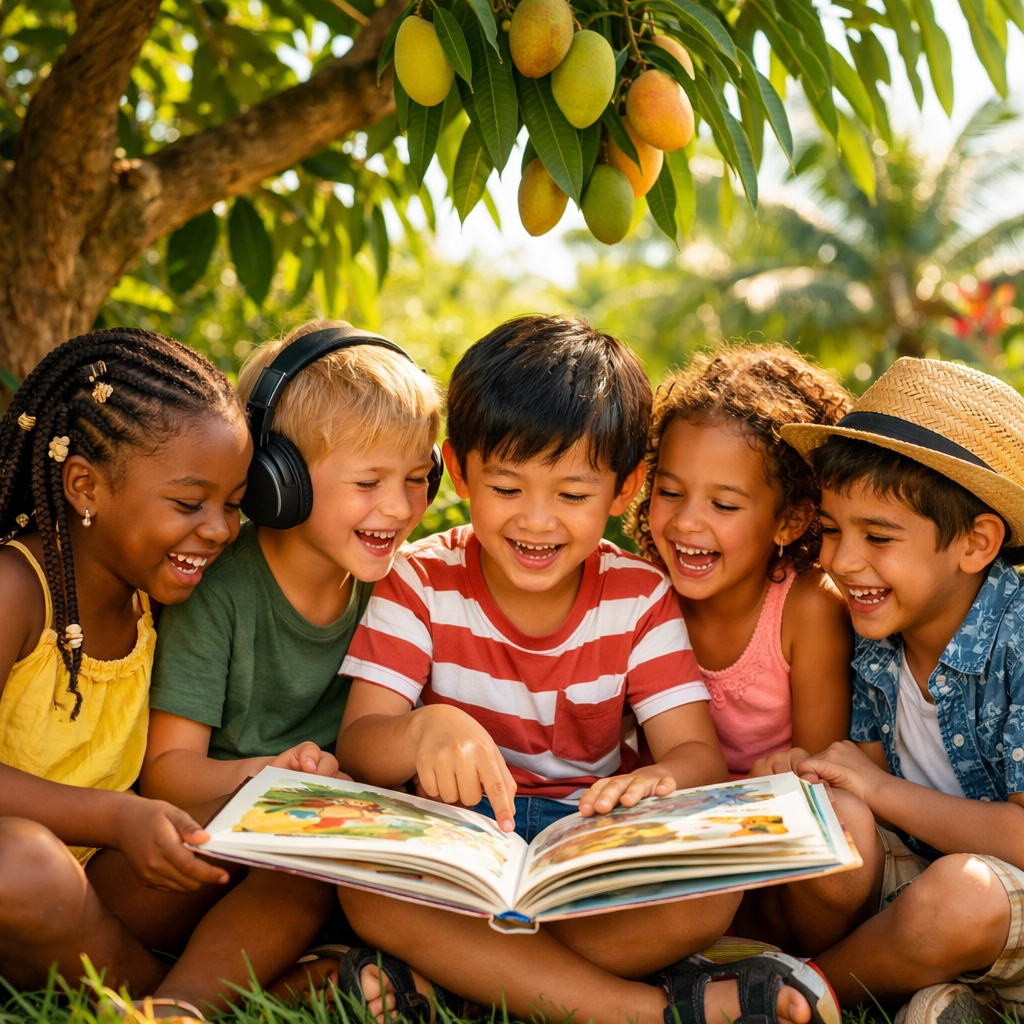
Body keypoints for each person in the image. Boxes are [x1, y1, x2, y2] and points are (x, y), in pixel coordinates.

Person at [331, 317, 838, 1024]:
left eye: (571, 496)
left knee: (710, 893)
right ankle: (650, 1011)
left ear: (625, 488)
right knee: (367, 889)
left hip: (588, 847)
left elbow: (694, 754)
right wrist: (422, 731)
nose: (537, 522)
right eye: (507, 489)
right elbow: (359, 744)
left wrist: (659, 779)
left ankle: (464, 977)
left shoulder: (639, 597)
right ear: (460, 468)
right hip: (459, 851)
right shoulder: (419, 582)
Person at [0, 329, 334, 1015]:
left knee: (294, 834)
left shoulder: (149, 598)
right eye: (189, 504)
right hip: (21, 876)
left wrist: (270, 779)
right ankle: (219, 994)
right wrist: (116, 817)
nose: (219, 530)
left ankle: (178, 1007)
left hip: (109, 874)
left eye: (234, 504)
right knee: (25, 865)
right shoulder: (14, 589)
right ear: (85, 485)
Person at [755, 356, 1024, 1024]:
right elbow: (868, 771)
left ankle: (797, 992)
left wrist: (880, 792)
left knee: (960, 899)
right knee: (832, 828)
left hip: (995, 898)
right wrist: (815, 775)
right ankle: (945, 999)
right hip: (920, 881)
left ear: (976, 543)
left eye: (878, 536)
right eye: (834, 531)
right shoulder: (880, 633)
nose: (841, 562)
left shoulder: (1018, 639)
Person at [142, 319, 441, 810]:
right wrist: (268, 775)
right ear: (279, 481)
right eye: (368, 483)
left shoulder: (404, 588)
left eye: (417, 478)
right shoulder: (220, 591)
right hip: (227, 817)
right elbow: (166, 774)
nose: (401, 509)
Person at [628, 345, 853, 778]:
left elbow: (821, 773)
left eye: (724, 505)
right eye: (670, 492)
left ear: (789, 520)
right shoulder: (642, 597)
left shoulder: (808, 610)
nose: (687, 522)